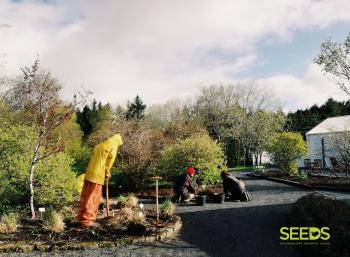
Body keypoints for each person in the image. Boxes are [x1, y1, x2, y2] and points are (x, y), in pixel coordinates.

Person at [76, 133, 123, 228]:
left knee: (85, 197)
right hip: (97, 175)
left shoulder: (100, 145)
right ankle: (88, 221)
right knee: (93, 199)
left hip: (89, 173)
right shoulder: (113, 146)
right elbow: (109, 163)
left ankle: (80, 218)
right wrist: (107, 173)